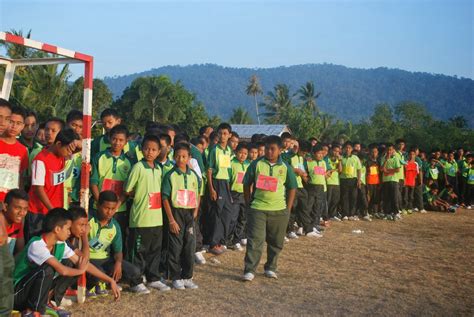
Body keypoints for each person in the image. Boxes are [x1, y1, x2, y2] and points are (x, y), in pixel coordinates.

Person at [242, 135, 297, 281]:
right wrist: (248, 202)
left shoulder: (285, 167)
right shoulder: (256, 164)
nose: (269, 152)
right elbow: (246, 183)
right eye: (267, 148)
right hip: (258, 208)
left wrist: (288, 208)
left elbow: (292, 187)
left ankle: (271, 267)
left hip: (279, 210)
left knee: (276, 241)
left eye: (272, 149)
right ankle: (250, 270)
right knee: (255, 240)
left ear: (280, 150)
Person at [13, 208, 88, 316]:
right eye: (67, 229)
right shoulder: (37, 244)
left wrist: (109, 280)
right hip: (16, 294)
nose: (69, 232)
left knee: (70, 264)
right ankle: (34, 311)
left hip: (29, 292)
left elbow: (83, 262)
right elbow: (63, 271)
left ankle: (47, 302)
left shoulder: (60, 244)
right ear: (57, 229)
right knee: (47, 270)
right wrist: (81, 270)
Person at [124, 134, 170, 292]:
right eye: (146, 148)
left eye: (153, 149)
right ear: (141, 149)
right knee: (138, 251)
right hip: (140, 218)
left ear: (159, 152)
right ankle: (135, 281)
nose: (149, 152)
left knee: (154, 250)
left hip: (156, 218)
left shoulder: (159, 169)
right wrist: (140, 195)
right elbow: (128, 189)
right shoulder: (138, 167)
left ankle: (153, 277)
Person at [51, 206, 121, 305]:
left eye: (85, 225)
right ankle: (51, 300)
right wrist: (84, 237)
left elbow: (84, 261)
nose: (84, 229)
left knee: (79, 264)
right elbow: (85, 259)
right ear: (70, 223)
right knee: (71, 264)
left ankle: (54, 299)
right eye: (81, 225)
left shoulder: (66, 241)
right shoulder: (58, 240)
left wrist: (110, 280)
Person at [88, 191, 150, 294]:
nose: (110, 212)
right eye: (106, 208)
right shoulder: (88, 219)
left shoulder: (115, 226)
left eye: (113, 209)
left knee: (134, 271)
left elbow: (118, 251)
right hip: (89, 260)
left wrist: (118, 263)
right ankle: (96, 285)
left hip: (105, 260)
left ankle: (134, 284)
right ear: (98, 206)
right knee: (98, 273)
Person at [27, 129, 80, 240]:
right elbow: (38, 189)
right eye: (68, 149)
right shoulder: (40, 160)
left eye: (72, 149)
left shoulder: (62, 155)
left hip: (55, 211)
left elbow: (85, 147)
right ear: (59, 144)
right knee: (37, 245)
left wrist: (77, 143)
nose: (70, 153)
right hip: (39, 212)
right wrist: (53, 211)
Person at [162, 143, 201, 290]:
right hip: (176, 213)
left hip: (189, 214)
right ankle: (175, 277)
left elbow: (198, 194)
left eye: (184, 156)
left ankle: (187, 276)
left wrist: (195, 212)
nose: (180, 159)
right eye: (177, 156)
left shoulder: (194, 176)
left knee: (189, 246)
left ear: (189, 158)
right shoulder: (170, 176)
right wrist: (171, 220)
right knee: (175, 246)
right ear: (173, 157)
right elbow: (165, 198)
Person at [90, 124, 133, 251]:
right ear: (109, 138)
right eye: (114, 139)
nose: (117, 143)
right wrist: (100, 204)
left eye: (121, 140)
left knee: (118, 240)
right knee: (96, 238)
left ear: (126, 142)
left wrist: (117, 206)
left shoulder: (129, 162)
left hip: (120, 209)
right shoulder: (99, 157)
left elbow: (128, 188)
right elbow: (93, 182)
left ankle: (116, 267)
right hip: (98, 207)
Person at [206, 123, 234, 255]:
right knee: (217, 213)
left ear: (229, 135)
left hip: (225, 184)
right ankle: (213, 243)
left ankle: (222, 240)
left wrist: (228, 187)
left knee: (227, 213)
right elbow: (210, 170)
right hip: (216, 183)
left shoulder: (228, 151)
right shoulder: (214, 150)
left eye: (225, 133)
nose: (222, 136)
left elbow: (227, 171)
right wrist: (211, 188)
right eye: (220, 133)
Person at [0, 105, 29, 203]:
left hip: (9, 202)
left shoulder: (23, 150)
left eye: (18, 123)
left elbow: (20, 178)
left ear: (23, 126)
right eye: (11, 121)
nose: (14, 126)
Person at [283, 140, 311, 238]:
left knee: (304, 207)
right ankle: (289, 230)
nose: (304, 154)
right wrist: (295, 170)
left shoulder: (302, 159)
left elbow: (303, 169)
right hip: (291, 186)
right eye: (303, 152)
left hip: (300, 186)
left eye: (306, 153)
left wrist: (304, 174)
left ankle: (307, 228)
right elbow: (284, 166)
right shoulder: (290, 156)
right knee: (292, 208)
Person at [228, 142, 250, 250]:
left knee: (243, 217)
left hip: (245, 194)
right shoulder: (231, 163)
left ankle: (237, 238)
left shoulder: (248, 165)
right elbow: (228, 180)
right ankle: (230, 240)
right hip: (234, 193)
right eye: (240, 153)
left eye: (245, 153)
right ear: (236, 152)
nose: (242, 155)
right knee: (233, 218)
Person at [305, 145, 330, 234]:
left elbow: (325, 174)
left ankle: (315, 225)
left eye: (322, 153)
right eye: (318, 153)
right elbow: (305, 173)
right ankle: (306, 225)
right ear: (314, 154)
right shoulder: (308, 162)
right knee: (309, 206)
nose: (320, 155)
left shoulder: (323, 163)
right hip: (311, 187)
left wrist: (327, 174)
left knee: (317, 207)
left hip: (321, 187)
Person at [339, 142, 362, 221]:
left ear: (352, 149)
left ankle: (351, 214)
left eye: (349, 148)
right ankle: (345, 214)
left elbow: (359, 170)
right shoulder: (341, 158)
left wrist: (359, 180)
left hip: (353, 179)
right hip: (343, 179)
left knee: (353, 197)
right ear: (344, 149)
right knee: (344, 197)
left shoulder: (355, 158)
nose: (348, 149)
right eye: (346, 148)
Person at [3, 189, 28, 255]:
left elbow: (20, 251)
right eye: (17, 208)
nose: (22, 213)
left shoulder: (17, 224)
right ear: (5, 207)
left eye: (25, 209)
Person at [381, 144, 401, 220]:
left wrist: (388, 171)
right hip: (386, 180)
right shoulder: (383, 158)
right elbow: (382, 169)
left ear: (393, 150)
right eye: (388, 150)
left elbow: (398, 169)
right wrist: (386, 159)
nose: (389, 151)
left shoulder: (395, 158)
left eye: (390, 150)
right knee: (386, 198)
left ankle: (396, 213)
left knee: (394, 197)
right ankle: (387, 213)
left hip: (394, 180)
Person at [327, 143, 342, 221]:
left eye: (338, 152)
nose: (336, 153)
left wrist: (339, 161)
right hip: (328, 182)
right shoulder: (327, 159)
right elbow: (327, 170)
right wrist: (333, 170)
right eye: (335, 151)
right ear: (331, 150)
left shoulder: (338, 160)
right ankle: (326, 215)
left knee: (335, 199)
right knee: (328, 200)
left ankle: (332, 215)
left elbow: (340, 170)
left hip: (336, 182)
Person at [366, 144, 381, 218]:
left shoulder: (379, 162)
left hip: (377, 182)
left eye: (375, 152)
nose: (374, 153)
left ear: (378, 153)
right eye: (372, 152)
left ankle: (375, 212)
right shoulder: (367, 162)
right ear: (370, 153)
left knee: (376, 198)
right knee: (369, 198)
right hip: (369, 182)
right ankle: (368, 211)